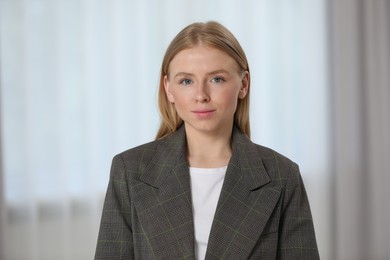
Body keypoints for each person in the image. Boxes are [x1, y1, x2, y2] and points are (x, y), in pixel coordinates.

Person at [95, 21, 319, 260]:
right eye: (186, 81)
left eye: (217, 79)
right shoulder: (130, 171)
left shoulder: (282, 176)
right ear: (168, 88)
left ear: (243, 84)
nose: (201, 95)